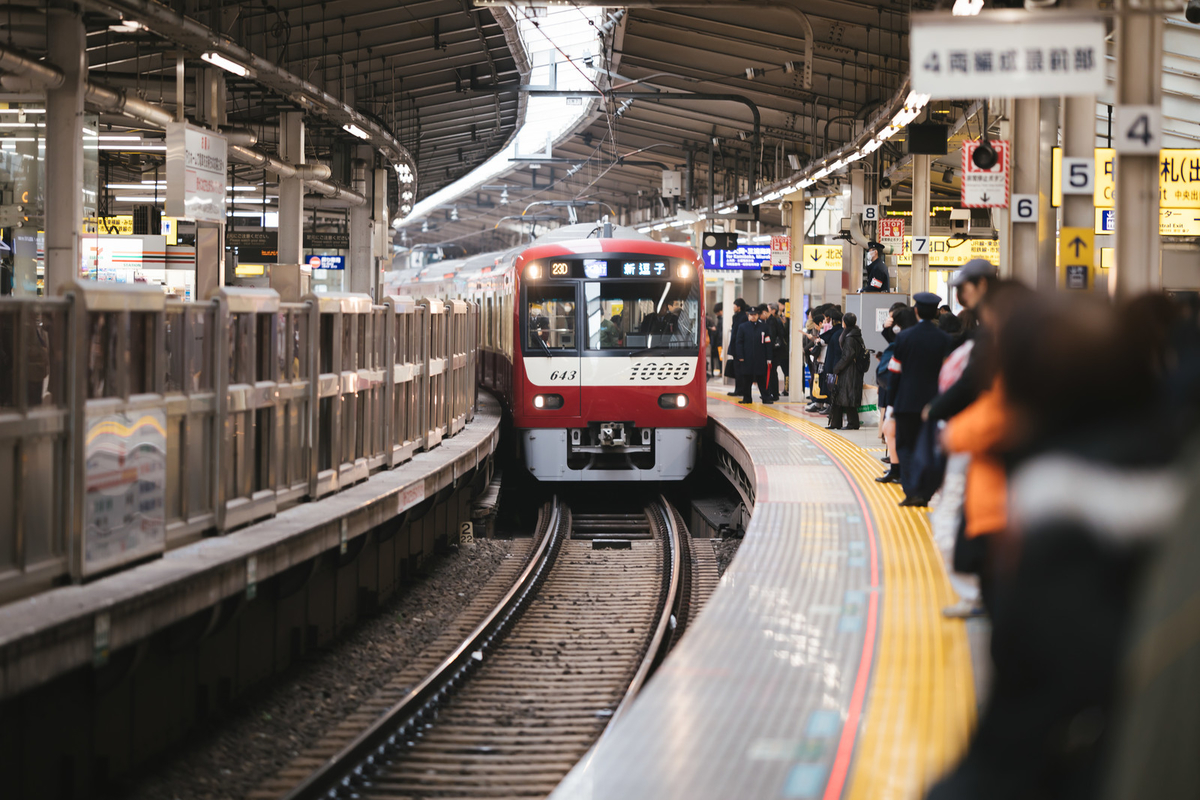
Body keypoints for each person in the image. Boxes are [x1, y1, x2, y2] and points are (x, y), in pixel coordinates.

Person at [887, 292, 952, 506]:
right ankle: (926, 491)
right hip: (934, 404)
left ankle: (912, 491)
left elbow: (894, 373)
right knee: (930, 446)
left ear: (915, 311)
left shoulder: (904, 338)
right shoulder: (944, 339)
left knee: (905, 446)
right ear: (935, 312)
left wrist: (890, 405)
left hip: (906, 403)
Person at [875, 304, 916, 484]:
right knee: (890, 429)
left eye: (893, 320)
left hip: (905, 393)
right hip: (899, 392)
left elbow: (895, 368)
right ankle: (896, 468)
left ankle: (903, 470)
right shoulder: (905, 338)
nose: (890, 323)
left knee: (899, 432)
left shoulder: (908, 340)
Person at [827, 312, 867, 430]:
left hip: (850, 371)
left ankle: (853, 423)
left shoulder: (850, 338)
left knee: (848, 396)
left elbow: (848, 356)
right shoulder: (855, 334)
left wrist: (837, 368)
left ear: (845, 322)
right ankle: (836, 423)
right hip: (850, 370)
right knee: (841, 395)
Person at [736, 305, 773, 405]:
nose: (753, 316)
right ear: (748, 316)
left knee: (762, 378)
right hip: (746, 358)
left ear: (758, 315)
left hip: (760, 358)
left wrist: (769, 358)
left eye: (755, 315)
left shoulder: (764, 327)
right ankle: (747, 398)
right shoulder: (742, 327)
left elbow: (768, 343)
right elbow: (739, 342)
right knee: (746, 379)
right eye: (751, 315)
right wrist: (740, 356)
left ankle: (766, 397)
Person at [818, 308, 845, 410]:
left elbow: (822, 339)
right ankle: (831, 406)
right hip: (839, 363)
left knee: (831, 385)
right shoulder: (842, 332)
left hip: (833, 363)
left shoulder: (834, 333)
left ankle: (832, 407)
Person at [764, 303, 788, 401]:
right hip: (777, 350)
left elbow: (773, 336)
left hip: (775, 350)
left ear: (773, 310)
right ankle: (773, 392)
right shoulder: (776, 320)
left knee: (772, 372)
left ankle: (774, 393)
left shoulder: (774, 321)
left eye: (768, 309)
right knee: (773, 372)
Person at [724, 299, 748, 396]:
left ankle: (740, 390)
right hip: (735, 346)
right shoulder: (736, 317)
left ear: (739, 307)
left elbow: (738, 334)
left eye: (734, 306)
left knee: (740, 370)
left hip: (739, 347)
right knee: (737, 370)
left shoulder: (743, 317)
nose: (733, 307)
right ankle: (738, 389)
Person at [709, 303, 723, 376]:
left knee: (720, 358)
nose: (717, 314)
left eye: (717, 312)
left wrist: (715, 330)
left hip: (720, 343)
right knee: (720, 358)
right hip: (719, 342)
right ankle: (721, 371)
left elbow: (719, 332)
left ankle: (721, 371)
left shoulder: (721, 320)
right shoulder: (720, 319)